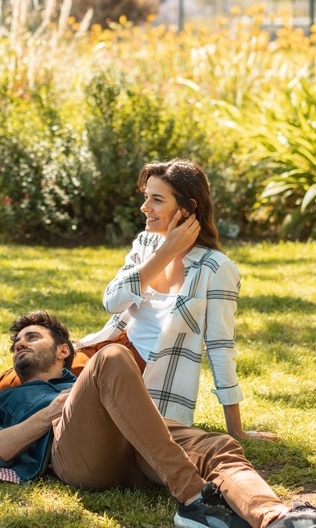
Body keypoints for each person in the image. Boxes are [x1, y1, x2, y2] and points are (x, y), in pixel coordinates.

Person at [0, 312, 316, 528]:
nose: (20, 344)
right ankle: (193, 498)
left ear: (63, 350)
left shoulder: (85, 377)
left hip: (137, 444)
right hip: (78, 453)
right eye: (17, 342)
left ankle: (277, 521)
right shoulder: (4, 399)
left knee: (216, 445)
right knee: (113, 356)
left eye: (31, 337)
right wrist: (48, 414)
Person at [78, 159, 273, 437]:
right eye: (146, 197)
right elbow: (112, 301)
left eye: (157, 200)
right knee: (24, 383)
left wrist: (236, 431)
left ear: (187, 208)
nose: (145, 208)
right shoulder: (147, 245)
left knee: (69, 411)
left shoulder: (215, 268)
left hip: (147, 378)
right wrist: (164, 253)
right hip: (111, 353)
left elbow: (220, 348)